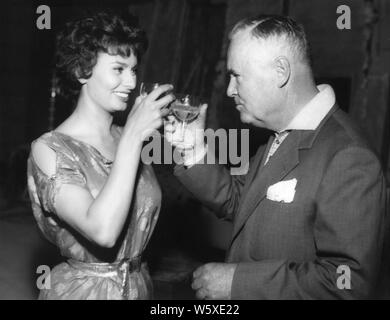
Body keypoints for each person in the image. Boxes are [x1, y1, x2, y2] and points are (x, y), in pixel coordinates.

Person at [165, 15, 387, 299]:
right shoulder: (282, 136)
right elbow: (239, 200)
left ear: (280, 71)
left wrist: (238, 283)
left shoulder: (348, 156)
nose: (230, 89)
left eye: (237, 76)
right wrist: (193, 150)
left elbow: (347, 282)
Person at [27, 11, 174, 299]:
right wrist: (134, 135)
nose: (131, 83)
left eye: (134, 70)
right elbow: (103, 231)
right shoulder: (49, 148)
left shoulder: (127, 137)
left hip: (138, 285)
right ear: (83, 71)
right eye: (119, 69)